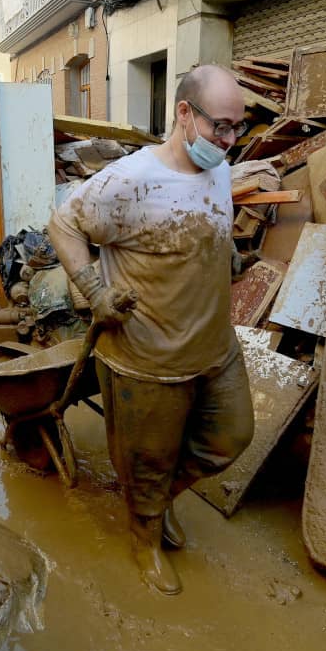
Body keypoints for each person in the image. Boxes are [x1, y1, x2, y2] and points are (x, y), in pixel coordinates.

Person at [47, 65, 254, 595]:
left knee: (232, 436)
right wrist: (94, 292)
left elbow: (204, 224)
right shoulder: (130, 181)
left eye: (237, 128)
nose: (229, 142)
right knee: (147, 463)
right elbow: (63, 223)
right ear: (185, 114)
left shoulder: (220, 169)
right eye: (220, 127)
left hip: (214, 348)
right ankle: (145, 540)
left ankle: (157, 506)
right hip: (149, 358)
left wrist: (224, 255)